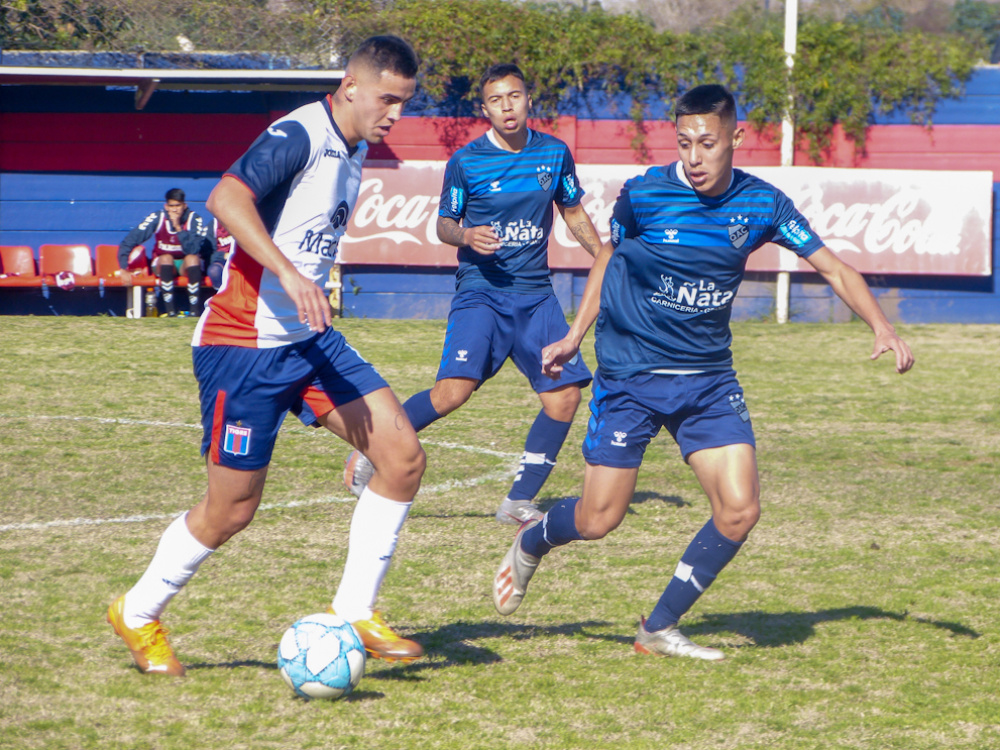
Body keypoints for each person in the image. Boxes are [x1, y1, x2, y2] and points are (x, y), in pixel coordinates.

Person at [492, 84, 915, 660]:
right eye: (684, 142)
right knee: (597, 519)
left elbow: (834, 268)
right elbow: (609, 260)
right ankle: (535, 538)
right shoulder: (644, 194)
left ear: (736, 138)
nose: (694, 157)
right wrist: (573, 336)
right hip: (632, 377)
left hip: (708, 381)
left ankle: (658, 627)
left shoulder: (763, 205)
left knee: (740, 510)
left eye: (707, 144)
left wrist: (881, 326)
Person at [106, 35, 427, 677]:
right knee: (232, 510)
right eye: (387, 99)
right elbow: (226, 199)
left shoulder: (355, 147)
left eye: (404, 103)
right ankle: (137, 612)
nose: (395, 114)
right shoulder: (301, 131)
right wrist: (289, 273)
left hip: (307, 340)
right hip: (242, 345)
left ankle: (355, 611)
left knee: (402, 458)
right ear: (351, 86)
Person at [343, 63, 603, 526]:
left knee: (564, 397)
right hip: (482, 293)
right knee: (452, 393)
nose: (508, 107)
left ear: (528, 100)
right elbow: (443, 223)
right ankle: (371, 450)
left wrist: (605, 257)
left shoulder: (554, 154)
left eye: (515, 96)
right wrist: (466, 235)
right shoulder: (467, 161)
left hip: (536, 295)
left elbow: (572, 211)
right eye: (497, 100)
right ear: (485, 110)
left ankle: (517, 502)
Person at [118, 188, 211, 317]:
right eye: (171, 206)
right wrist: (123, 267)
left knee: (192, 258)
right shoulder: (158, 217)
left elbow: (193, 249)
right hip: (163, 264)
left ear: (184, 206)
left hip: (185, 265)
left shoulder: (194, 219)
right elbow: (130, 240)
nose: (174, 210)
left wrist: (178, 228)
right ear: (166, 206)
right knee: (166, 257)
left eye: (178, 206)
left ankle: (194, 311)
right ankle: (170, 311)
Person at [205, 216, 236, 290]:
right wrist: (223, 255)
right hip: (222, 260)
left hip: (241, 259)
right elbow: (208, 253)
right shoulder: (214, 224)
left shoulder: (243, 221)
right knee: (214, 271)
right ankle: (220, 293)